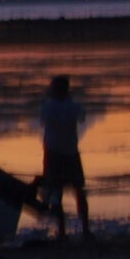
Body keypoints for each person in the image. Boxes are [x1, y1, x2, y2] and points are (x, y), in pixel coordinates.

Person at [38, 74, 91, 242]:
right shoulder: (74, 106)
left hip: (53, 154)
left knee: (56, 192)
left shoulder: (47, 107)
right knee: (78, 191)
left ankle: (62, 232)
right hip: (70, 153)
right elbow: (82, 117)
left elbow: (42, 122)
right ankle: (85, 229)